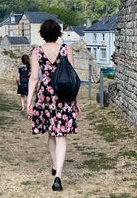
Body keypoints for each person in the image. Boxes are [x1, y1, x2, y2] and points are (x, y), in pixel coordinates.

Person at [26, 19, 81, 192]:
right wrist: (75, 100)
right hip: (63, 95)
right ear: (58, 33)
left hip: (46, 95)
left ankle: (56, 165)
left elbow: (34, 78)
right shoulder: (66, 49)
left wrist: (29, 101)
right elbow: (71, 77)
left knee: (51, 132)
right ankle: (58, 176)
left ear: (42, 33)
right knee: (60, 135)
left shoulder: (37, 51)